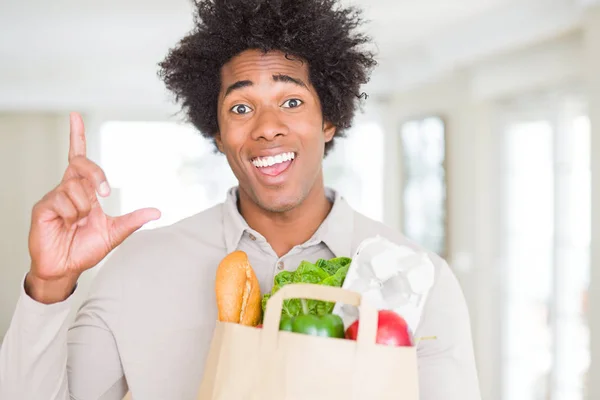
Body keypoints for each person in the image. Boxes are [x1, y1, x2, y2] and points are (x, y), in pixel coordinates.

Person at [0, 0, 481, 399]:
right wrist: (50, 282)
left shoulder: (417, 279)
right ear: (217, 132)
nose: (267, 126)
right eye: (241, 107)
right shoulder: (137, 270)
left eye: (291, 102)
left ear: (329, 120)